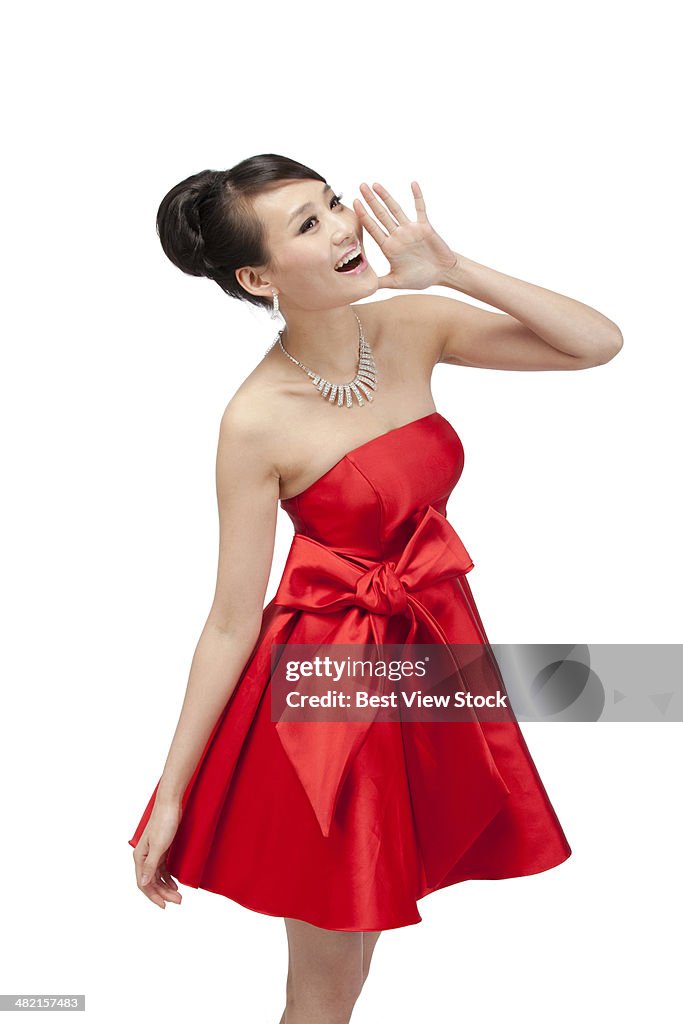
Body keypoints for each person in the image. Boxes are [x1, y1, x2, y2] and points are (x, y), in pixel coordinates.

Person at [128, 152, 623, 1024]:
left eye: (332, 204)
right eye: (308, 227)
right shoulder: (255, 420)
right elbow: (228, 622)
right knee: (321, 994)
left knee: (354, 974)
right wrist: (168, 795)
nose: (345, 228)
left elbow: (594, 344)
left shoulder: (410, 325)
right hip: (324, 698)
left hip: (423, 665)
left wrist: (455, 268)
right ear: (255, 275)